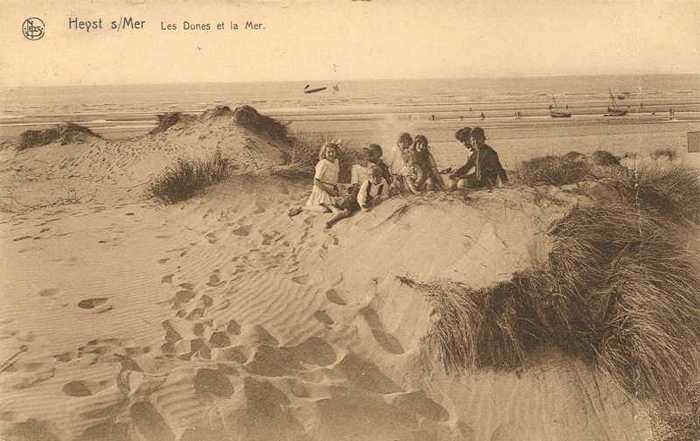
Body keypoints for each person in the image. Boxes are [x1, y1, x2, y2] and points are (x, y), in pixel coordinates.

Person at [304, 141, 341, 212]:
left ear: (336, 152)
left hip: (332, 189)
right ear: (324, 153)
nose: (331, 154)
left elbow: (334, 178)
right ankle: (302, 208)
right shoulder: (323, 163)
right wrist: (330, 191)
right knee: (324, 209)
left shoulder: (336, 162)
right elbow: (316, 181)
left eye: (333, 152)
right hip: (321, 189)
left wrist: (335, 189)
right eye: (328, 152)